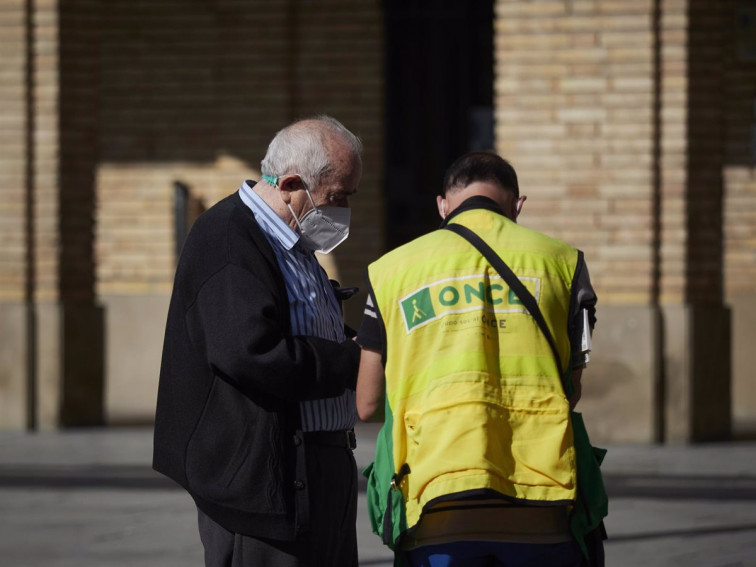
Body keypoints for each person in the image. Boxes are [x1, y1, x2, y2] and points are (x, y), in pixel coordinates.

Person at [356, 152, 606, 566]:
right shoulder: (564, 263)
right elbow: (572, 388)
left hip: (434, 504)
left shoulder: (390, 270)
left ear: (442, 205)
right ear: (517, 205)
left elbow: (366, 404)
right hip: (543, 505)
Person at [153, 115, 364, 567]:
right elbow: (251, 351)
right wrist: (351, 362)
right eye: (338, 196)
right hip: (264, 487)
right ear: (291, 184)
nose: (344, 208)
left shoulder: (294, 240)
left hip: (321, 472)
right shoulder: (230, 236)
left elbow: (305, 327)